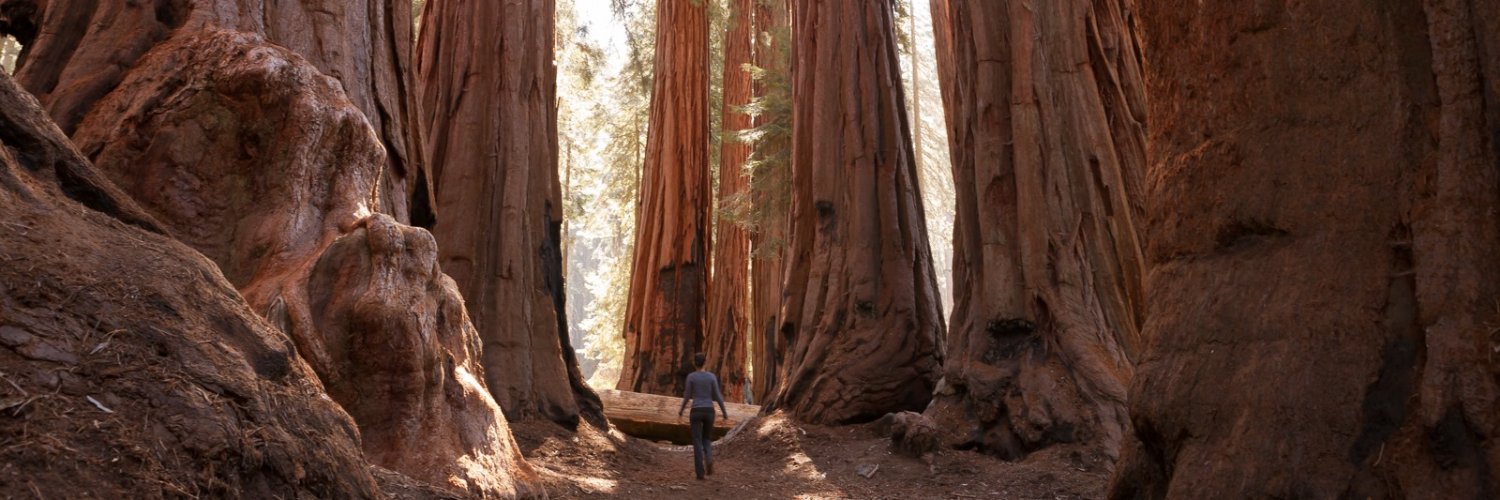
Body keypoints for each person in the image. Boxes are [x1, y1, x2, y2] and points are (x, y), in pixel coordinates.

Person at [678, 352, 729, 480]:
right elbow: (717, 396)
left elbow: (687, 396)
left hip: (696, 411)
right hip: (709, 411)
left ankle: (700, 473)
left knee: (697, 441)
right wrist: (724, 413)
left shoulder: (691, 377)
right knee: (706, 438)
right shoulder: (711, 377)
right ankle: (710, 458)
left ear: (695, 363)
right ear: (705, 362)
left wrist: (681, 411)